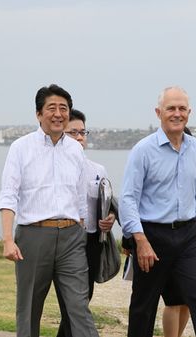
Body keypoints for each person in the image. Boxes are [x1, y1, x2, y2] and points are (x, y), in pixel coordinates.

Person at [119, 86, 196, 337]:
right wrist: (139, 240)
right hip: (152, 237)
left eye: (182, 108)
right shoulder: (143, 150)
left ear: (189, 112)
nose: (177, 113)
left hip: (189, 236)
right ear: (159, 112)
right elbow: (128, 199)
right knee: (144, 307)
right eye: (171, 108)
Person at [0, 84, 99, 337]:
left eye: (63, 108)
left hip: (72, 237)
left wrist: (84, 229)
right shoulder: (21, 148)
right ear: (38, 114)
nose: (58, 114)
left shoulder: (75, 149)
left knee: (79, 306)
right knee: (29, 308)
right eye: (51, 108)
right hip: (33, 236)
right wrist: (8, 240)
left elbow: (78, 198)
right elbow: (9, 194)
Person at [55, 109, 116, 337]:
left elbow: (108, 204)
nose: (80, 137)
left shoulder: (98, 170)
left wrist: (110, 218)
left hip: (90, 242)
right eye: (73, 133)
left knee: (82, 301)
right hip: (64, 242)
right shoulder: (55, 169)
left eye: (83, 132)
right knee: (72, 305)